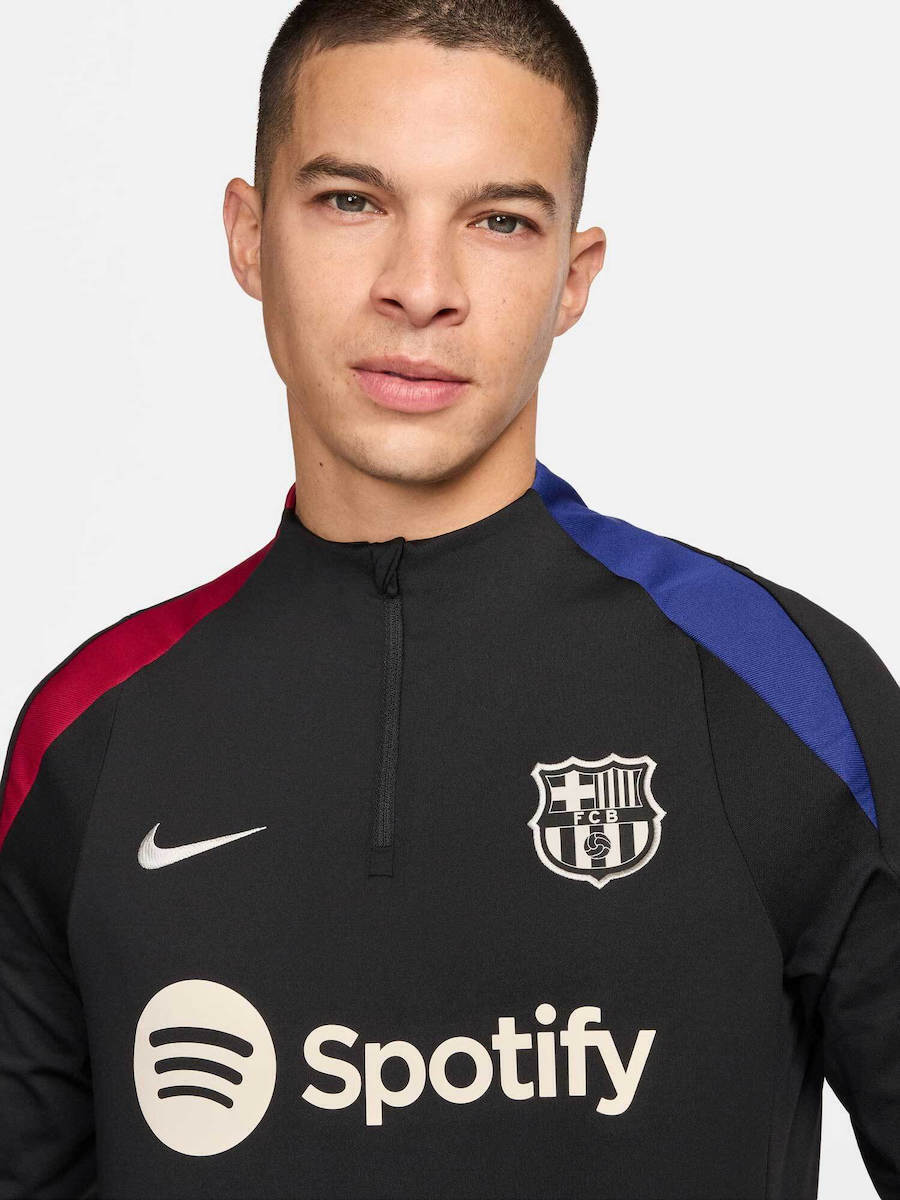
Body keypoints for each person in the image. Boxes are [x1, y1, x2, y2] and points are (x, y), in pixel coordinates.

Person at [1, 1, 897, 1197]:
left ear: (573, 276)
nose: (421, 289)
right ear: (250, 238)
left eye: (500, 220)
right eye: (352, 201)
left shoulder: (780, 696)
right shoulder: (88, 740)